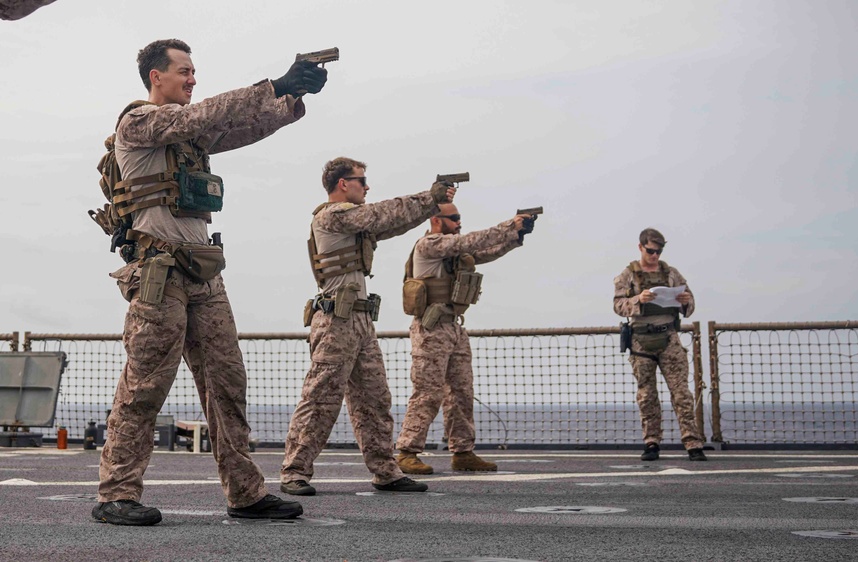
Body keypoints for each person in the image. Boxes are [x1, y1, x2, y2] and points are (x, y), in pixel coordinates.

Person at [93, 39, 327, 526]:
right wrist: (274, 85)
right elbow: (204, 116)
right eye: (184, 71)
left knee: (226, 383)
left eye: (194, 71)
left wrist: (292, 100)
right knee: (145, 387)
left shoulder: (187, 137)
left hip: (203, 274)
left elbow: (239, 127)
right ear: (156, 76)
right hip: (158, 274)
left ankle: (245, 493)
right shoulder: (138, 124)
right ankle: (115, 493)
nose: (193, 78)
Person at [279, 157, 455, 496]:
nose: (367, 186)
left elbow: (395, 222)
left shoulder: (354, 222)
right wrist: (430, 197)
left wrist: (430, 203)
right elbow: (383, 214)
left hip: (359, 321)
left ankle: (386, 470)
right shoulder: (333, 216)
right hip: (335, 321)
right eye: (361, 180)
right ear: (342, 184)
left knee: (374, 399)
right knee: (320, 399)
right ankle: (294, 471)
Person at [395, 203, 535, 474]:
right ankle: (407, 451)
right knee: (428, 392)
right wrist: (509, 225)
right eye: (454, 218)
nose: (459, 222)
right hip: (431, 328)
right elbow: (474, 241)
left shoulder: (453, 251)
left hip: (453, 327)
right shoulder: (429, 244)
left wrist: (517, 237)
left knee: (461, 391)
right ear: (436, 220)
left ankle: (463, 451)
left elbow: (486, 251)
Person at [613, 228, 707, 462]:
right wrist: (638, 300)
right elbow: (618, 305)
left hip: (668, 338)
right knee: (647, 395)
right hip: (640, 340)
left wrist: (685, 302)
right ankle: (651, 442)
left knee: (681, 392)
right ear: (640, 247)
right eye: (650, 250)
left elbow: (690, 302)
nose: (655, 255)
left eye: (659, 251)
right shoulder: (628, 275)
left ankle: (692, 443)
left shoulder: (671, 273)